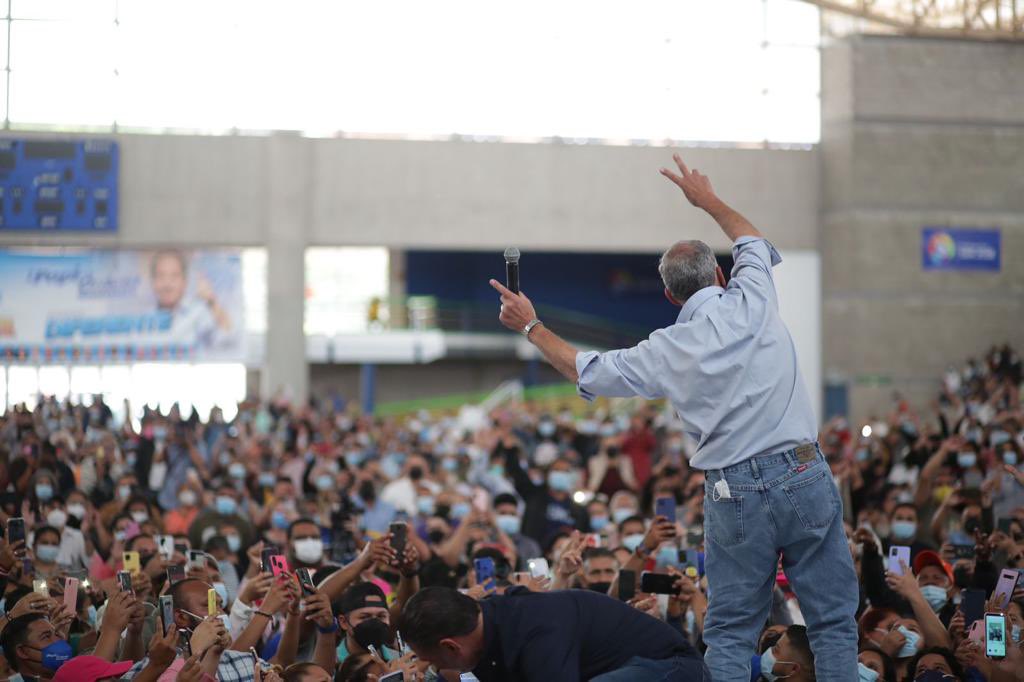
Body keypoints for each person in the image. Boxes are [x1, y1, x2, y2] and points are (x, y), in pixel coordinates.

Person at [489, 153, 858, 680]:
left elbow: (585, 369)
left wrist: (531, 326)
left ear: (669, 294)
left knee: (731, 633)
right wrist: (706, 200)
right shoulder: (754, 295)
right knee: (834, 623)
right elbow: (751, 236)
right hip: (802, 471)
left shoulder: (666, 349)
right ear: (721, 274)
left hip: (733, 491)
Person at [399, 585, 708, 680]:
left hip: (673, 668)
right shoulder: (487, 632)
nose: (439, 670)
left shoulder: (537, 632)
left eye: (434, 660)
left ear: (451, 647)